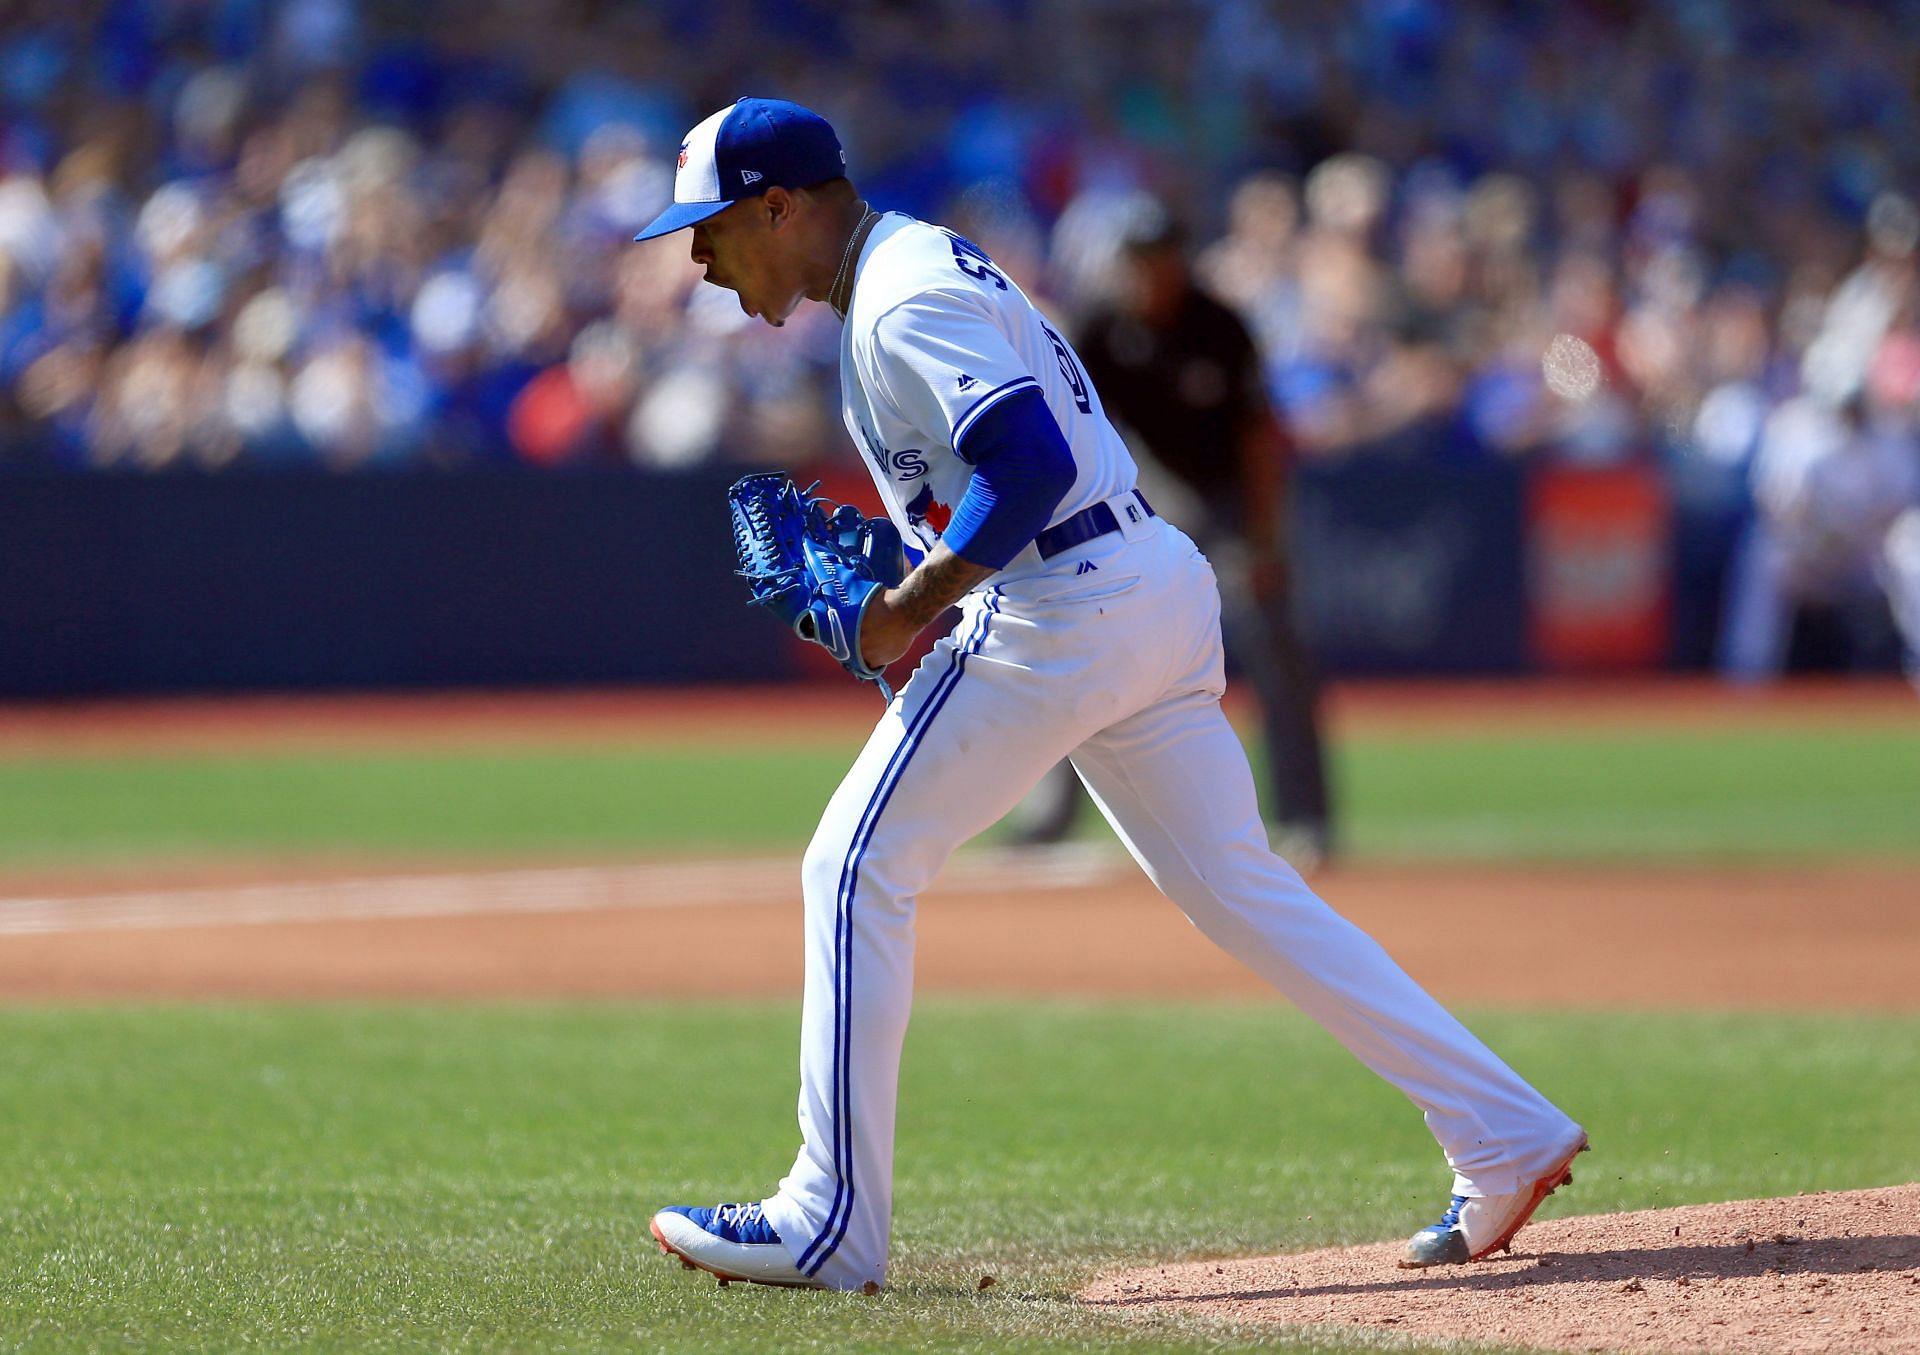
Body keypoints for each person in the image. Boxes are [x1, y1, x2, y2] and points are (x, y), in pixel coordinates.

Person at [636, 98, 1586, 1292]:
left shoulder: (901, 293)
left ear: (778, 205)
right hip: (1141, 582)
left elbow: (1025, 460)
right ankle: (1501, 1127)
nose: (697, 258)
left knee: (853, 865)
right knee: (1242, 888)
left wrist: (909, 602)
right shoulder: (904, 271)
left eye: (711, 227)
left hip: (1064, 601)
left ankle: (827, 1216)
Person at [1007, 196, 1332, 863]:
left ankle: (1308, 817)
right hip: (1144, 498)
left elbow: (1260, 441)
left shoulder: (1220, 326)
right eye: (1138, 261)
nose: (1150, 273)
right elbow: (1073, 430)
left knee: (1273, 643)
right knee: (1084, 630)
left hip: (1230, 502)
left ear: (1179, 260)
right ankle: (1054, 811)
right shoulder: (1099, 328)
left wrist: (1266, 539)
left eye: (1161, 258)